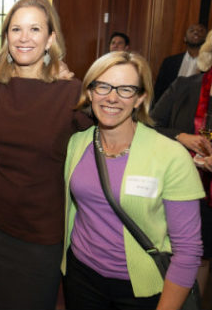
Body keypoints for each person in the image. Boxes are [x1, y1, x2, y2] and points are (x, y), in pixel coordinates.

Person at [0, 0, 92, 309]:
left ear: (51, 38)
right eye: (16, 29)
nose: (24, 38)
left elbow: (119, 129)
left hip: (43, 232)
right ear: (6, 37)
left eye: (35, 29)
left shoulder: (73, 95)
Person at [63, 51, 204, 309]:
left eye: (125, 89)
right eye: (103, 86)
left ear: (140, 98)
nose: (112, 97)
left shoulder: (171, 156)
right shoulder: (78, 143)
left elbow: (188, 252)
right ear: (91, 92)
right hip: (80, 277)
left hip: (140, 289)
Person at [151, 28, 212, 295]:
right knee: (174, 253)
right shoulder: (184, 86)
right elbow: (148, 124)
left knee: (203, 254)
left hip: (209, 199)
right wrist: (182, 137)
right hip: (177, 187)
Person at [153, 23, 207, 105]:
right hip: (170, 108)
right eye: (192, 30)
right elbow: (159, 90)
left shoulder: (209, 64)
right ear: (185, 38)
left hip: (197, 111)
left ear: (206, 39)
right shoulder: (170, 62)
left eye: (201, 31)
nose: (196, 32)